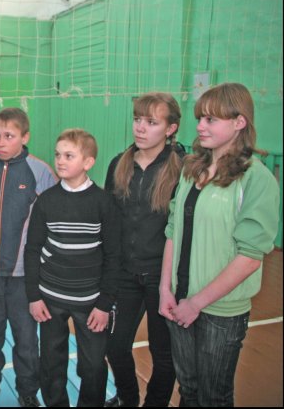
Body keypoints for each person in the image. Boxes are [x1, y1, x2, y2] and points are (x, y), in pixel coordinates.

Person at [159, 82, 279, 407]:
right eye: (200, 118)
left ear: (239, 122)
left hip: (219, 313)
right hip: (178, 301)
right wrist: (166, 290)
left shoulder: (256, 178)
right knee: (188, 390)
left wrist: (196, 303)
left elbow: (250, 256)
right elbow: (173, 231)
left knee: (214, 397)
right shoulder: (191, 169)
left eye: (211, 119)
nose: (200, 126)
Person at [24, 128, 121, 407]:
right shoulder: (46, 201)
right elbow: (32, 250)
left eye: (69, 156)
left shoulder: (104, 203)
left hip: (90, 303)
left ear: (88, 162)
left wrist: (104, 304)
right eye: (58, 155)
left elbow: (114, 256)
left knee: (93, 366)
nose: (60, 161)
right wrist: (34, 296)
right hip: (50, 300)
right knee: (51, 363)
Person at [0, 108, 57, 407]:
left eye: (9, 136)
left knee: (26, 338)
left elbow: (51, 222)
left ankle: (28, 391)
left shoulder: (40, 172)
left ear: (25, 137)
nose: (1, 142)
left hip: (24, 276)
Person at [103, 93, 183, 407]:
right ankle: (127, 398)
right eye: (137, 119)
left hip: (162, 276)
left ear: (170, 128)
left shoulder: (182, 169)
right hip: (124, 274)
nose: (140, 127)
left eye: (151, 122)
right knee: (114, 346)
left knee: (163, 354)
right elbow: (109, 219)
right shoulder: (119, 164)